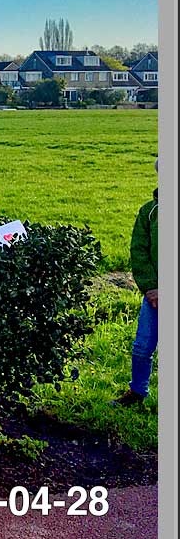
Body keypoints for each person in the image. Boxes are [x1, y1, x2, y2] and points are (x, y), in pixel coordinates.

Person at [112, 158, 159, 408]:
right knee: (142, 345)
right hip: (157, 294)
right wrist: (152, 288)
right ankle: (138, 391)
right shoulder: (150, 211)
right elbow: (139, 251)